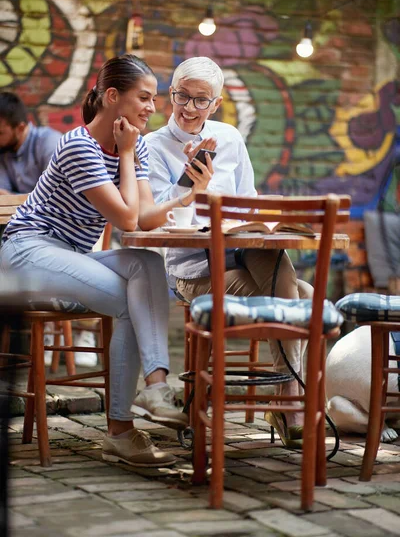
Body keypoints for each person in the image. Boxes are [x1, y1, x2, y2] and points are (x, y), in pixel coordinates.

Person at [0, 54, 193, 467]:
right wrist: (125, 155)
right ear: (111, 96)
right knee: (127, 301)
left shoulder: (134, 143)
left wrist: (189, 191)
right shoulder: (77, 146)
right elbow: (125, 219)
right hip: (26, 251)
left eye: (153, 99)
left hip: (68, 254)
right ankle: (122, 432)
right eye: (143, 97)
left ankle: (156, 385)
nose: (151, 108)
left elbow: (142, 217)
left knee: (147, 264)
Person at [145, 56, 313, 448]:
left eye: (200, 100)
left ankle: (285, 395)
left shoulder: (230, 138)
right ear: (170, 94)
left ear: (216, 104)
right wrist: (190, 186)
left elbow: (249, 201)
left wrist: (261, 221)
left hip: (241, 252)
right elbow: (151, 216)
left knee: (275, 258)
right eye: (181, 96)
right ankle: (288, 400)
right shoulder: (151, 147)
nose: (188, 108)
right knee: (301, 296)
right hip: (193, 268)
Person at [0, 92, 96, 367]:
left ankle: (83, 332)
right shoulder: (5, 153)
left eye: (0, 131)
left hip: (69, 231)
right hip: (27, 234)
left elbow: (58, 197)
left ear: (20, 127)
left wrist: (18, 198)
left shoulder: (51, 143)